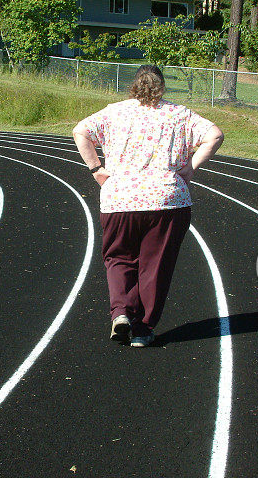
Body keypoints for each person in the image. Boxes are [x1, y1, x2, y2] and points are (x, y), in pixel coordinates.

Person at [73, 65, 224, 347]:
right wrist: (190, 168)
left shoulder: (114, 112)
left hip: (120, 199)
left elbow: (80, 131)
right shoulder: (180, 115)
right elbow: (214, 135)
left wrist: (96, 168)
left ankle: (120, 313)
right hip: (167, 201)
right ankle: (142, 330)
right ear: (162, 86)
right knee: (155, 266)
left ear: (134, 85)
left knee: (118, 258)